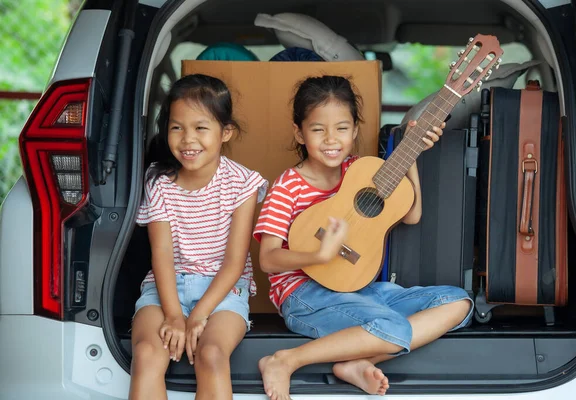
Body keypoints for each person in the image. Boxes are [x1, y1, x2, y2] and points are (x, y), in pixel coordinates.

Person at [253, 75, 473, 399]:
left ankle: (358, 360)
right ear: (299, 132)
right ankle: (286, 360)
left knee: (459, 302)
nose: (331, 139)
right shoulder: (288, 185)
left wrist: (408, 154)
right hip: (305, 295)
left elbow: (411, 214)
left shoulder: (361, 169)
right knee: (396, 329)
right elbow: (268, 258)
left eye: (342, 128)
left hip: (360, 286)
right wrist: (319, 256)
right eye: (318, 129)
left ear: (355, 131)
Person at [129, 74, 267, 400]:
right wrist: (175, 316)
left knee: (212, 355)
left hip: (223, 291)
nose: (188, 139)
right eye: (177, 128)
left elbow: (234, 263)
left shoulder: (243, 184)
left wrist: (199, 315)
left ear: (226, 132)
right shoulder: (158, 181)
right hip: (165, 288)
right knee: (147, 354)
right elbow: (161, 256)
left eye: (201, 128)